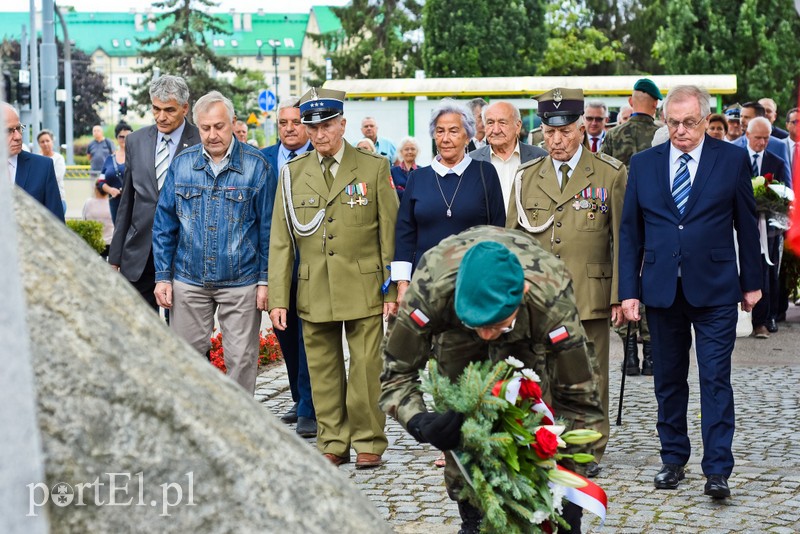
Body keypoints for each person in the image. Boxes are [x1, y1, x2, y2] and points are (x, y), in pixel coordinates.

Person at [380, 225, 604, 534]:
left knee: (536, 420)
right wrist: (418, 420)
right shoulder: (430, 291)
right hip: (457, 333)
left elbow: (580, 398)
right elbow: (396, 373)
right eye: (480, 326)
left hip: (523, 332)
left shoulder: (549, 298)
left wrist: (569, 490)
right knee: (463, 419)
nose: (486, 335)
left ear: (523, 292)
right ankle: (472, 518)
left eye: (494, 325)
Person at [619, 84, 761, 500]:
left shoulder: (731, 159)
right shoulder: (644, 164)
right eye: (674, 122)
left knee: (716, 378)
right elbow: (631, 232)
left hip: (716, 288)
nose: (681, 130)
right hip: (662, 290)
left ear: (704, 119)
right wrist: (629, 290)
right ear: (664, 120)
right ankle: (672, 458)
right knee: (668, 379)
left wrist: (751, 283)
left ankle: (717, 469)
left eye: (690, 123)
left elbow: (745, 224)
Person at [268, 88, 399, 469]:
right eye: (313, 128)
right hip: (314, 285)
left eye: (327, 126)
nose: (320, 134)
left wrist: (391, 287)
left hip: (364, 283)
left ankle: (369, 440)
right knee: (323, 371)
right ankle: (333, 441)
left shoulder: (373, 167)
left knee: (365, 368)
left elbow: (387, 231)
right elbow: (280, 241)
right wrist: (279, 298)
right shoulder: (293, 174)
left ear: (343, 124)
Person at [507, 88, 626, 478]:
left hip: (589, 291)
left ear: (581, 130)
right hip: (540, 296)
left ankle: (588, 448)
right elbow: (513, 240)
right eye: (548, 132)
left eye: (565, 132)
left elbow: (620, 239)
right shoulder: (526, 177)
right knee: (541, 371)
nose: (555, 140)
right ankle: (548, 442)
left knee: (590, 373)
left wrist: (620, 296)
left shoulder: (609, 173)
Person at [152, 91, 275, 393]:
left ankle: (237, 426)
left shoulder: (257, 166)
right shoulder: (181, 165)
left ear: (233, 123)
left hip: (241, 281)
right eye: (205, 128)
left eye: (219, 126)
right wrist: (162, 277)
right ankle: (194, 427)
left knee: (242, 360)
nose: (212, 134)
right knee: (185, 360)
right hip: (189, 280)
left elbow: (269, 230)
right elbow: (164, 224)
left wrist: (264, 280)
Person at [392, 98, 506, 304]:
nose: (445, 138)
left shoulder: (485, 173)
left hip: (474, 282)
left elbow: (498, 229)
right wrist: (402, 284)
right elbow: (405, 233)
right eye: (440, 131)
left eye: (453, 131)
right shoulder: (417, 178)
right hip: (425, 283)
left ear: (467, 136)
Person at [109, 75, 201, 311]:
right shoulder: (135, 141)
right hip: (139, 255)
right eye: (156, 109)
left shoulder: (201, 140)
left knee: (186, 339)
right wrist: (115, 257)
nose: (161, 117)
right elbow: (127, 202)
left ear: (185, 108)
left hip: (185, 256)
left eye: (169, 110)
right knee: (136, 332)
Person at [260, 96, 316, 437]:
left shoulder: (318, 157)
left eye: (296, 122)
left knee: (309, 336)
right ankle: (299, 399)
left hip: (311, 262)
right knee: (285, 334)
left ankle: (312, 407)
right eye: (283, 123)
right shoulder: (263, 160)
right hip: (274, 263)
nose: (289, 128)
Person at [601, 77, 663, 375]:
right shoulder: (662, 134)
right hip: (654, 218)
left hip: (622, 217)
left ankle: (628, 353)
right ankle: (651, 352)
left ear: (630, 102)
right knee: (650, 278)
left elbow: (606, 177)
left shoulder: (614, 135)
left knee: (625, 278)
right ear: (655, 104)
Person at [745, 117, 788, 338]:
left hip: (767, 229)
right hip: (739, 226)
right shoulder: (736, 158)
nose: (762, 142)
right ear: (747, 135)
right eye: (758, 138)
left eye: (766, 138)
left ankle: (763, 319)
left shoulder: (777, 162)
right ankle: (741, 319)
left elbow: (786, 195)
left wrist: (769, 202)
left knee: (765, 272)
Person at [469, 100, 547, 210]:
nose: (496, 130)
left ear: (518, 126)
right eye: (490, 123)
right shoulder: (471, 160)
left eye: (502, 123)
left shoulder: (540, 158)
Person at [3, 103, 64, 221]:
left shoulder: (43, 167)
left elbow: (57, 223)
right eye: (9, 130)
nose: (18, 136)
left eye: (19, 128)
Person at [734, 102, 791, 184]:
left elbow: (785, 187)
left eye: (746, 117)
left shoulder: (778, 149)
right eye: (741, 116)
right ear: (748, 135)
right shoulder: (734, 148)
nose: (742, 121)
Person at [98, 122, 133, 223]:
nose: (125, 139)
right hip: (115, 203)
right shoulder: (109, 159)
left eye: (128, 136)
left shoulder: (137, 157)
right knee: (118, 232)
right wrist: (110, 190)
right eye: (121, 137)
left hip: (133, 203)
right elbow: (101, 181)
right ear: (117, 138)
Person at [37, 129, 67, 213]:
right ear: (39, 144)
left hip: (57, 200)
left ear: (52, 142)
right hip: (40, 201)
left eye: (47, 141)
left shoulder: (59, 158)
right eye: (42, 142)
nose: (45, 143)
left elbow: (55, 178)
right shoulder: (37, 158)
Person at [82, 181, 114, 259]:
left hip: (93, 243)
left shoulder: (88, 203)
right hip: (109, 244)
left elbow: (84, 219)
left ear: (95, 189)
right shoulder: (112, 204)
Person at [390, 136, 419, 200]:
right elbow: (391, 193)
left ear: (417, 151)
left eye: (413, 149)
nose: (410, 152)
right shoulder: (392, 171)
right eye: (406, 149)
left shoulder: (422, 171)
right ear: (401, 152)